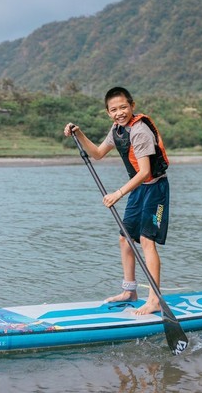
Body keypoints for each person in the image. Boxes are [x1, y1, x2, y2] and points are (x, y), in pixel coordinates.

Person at [63, 87, 170, 315]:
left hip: (155, 190)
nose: (119, 112)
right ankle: (130, 291)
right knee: (125, 239)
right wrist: (79, 134)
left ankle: (154, 299)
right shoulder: (117, 130)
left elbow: (144, 171)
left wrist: (118, 194)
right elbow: (98, 153)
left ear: (132, 105)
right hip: (139, 189)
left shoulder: (140, 131)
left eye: (123, 107)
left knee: (146, 240)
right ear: (108, 113)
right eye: (114, 109)